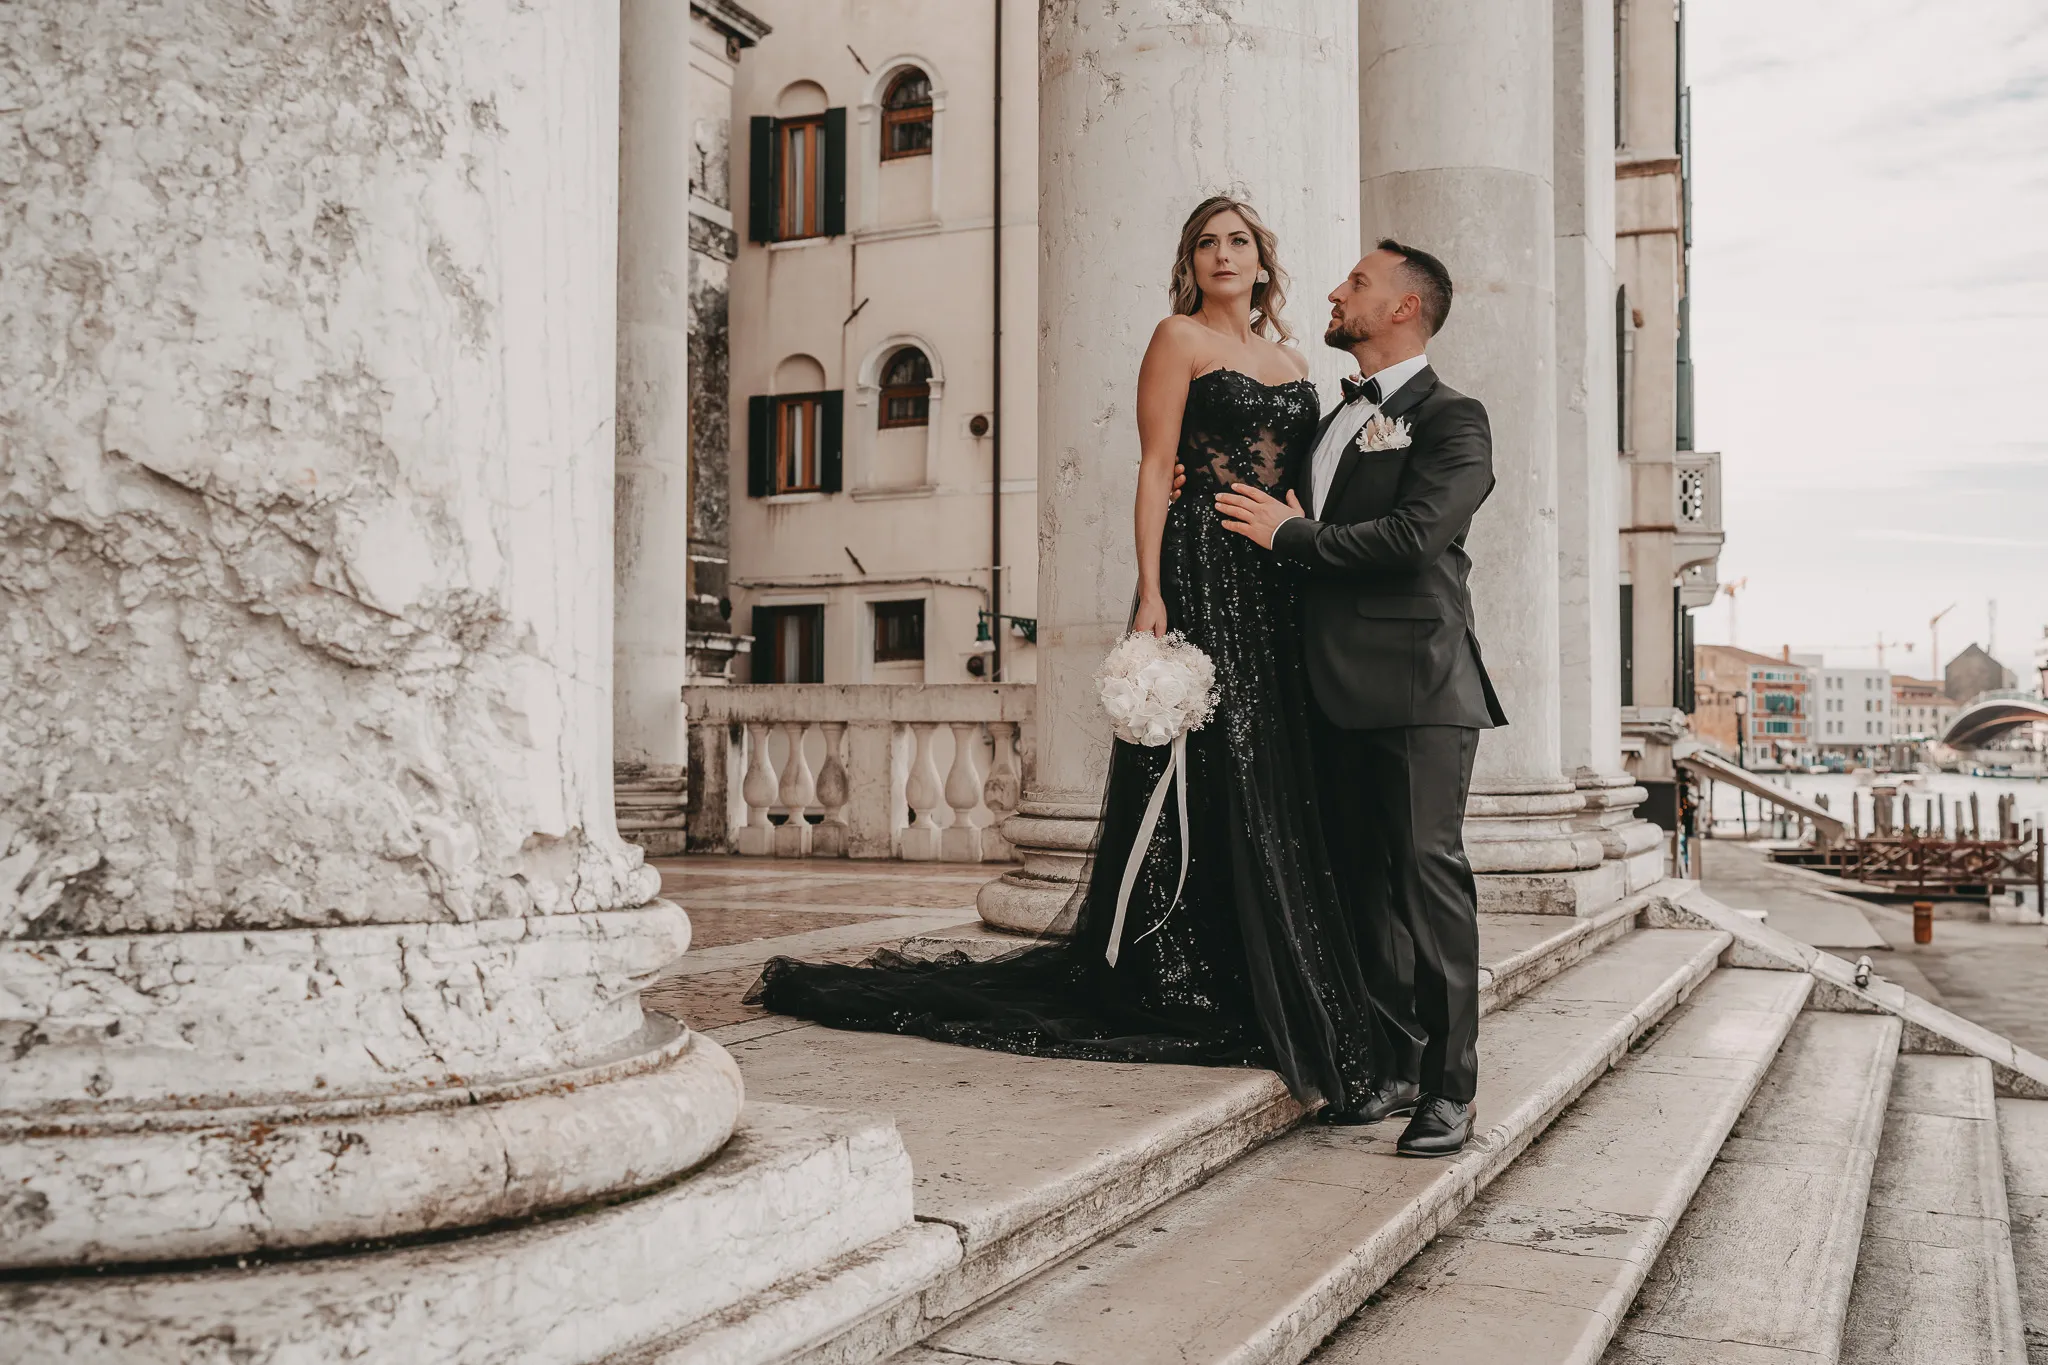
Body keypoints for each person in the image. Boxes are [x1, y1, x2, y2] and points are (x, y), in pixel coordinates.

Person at [749, 197, 1389, 1116]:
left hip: (1277, 580)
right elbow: (1153, 463)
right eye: (1205, 242)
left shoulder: (1295, 361)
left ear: (1262, 260)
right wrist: (1153, 593)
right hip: (1203, 570)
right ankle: (1183, 963)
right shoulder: (1176, 339)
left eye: (1237, 241)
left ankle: (1264, 952)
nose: (1221, 254)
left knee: (1274, 763)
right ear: (1191, 262)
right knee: (1212, 761)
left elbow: (1305, 479)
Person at [1211, 240, 1508, 1157]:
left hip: (1420, 685)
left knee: (1428, 883)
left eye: (1359, 283)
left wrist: (1291, 535)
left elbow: (1415, 537)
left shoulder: (1455, 419)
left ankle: (1452, 1090)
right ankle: (1393, 1064)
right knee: (1358, 890)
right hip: (1324, 689)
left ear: (1405, 309)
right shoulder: (1328, 417)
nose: (1337, 292)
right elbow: (1269, 489)